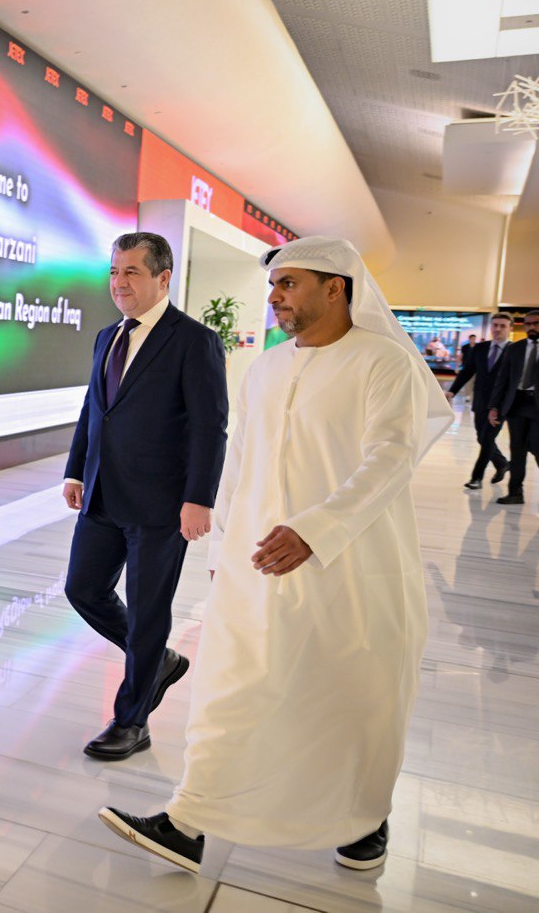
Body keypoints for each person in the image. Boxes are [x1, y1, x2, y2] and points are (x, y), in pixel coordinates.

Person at [97, 236, 452, 873]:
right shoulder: (266, 367)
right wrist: (225, 543)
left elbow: (391, 459)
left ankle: (363, 819)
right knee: (229, 687)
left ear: (336, 287)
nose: (274, 297)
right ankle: (189, 820)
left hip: (349, 566)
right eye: (273, 285)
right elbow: (240, 461)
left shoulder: (384, 363)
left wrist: (315, 530)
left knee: (350, 693)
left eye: (288, 284)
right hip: (254, 563)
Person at [61, 232, 227, 761]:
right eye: (114, 271)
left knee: (150, 611)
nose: (119, 282)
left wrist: (199, 498)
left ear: (162, 277)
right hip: (102, 494)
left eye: (131, 271)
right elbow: (94, 409)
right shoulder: (107, 336)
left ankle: (132, 721)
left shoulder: (194, 340)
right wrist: (75, 469)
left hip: (161, 505)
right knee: (83, 589)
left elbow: (209, 426)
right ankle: (158, 662)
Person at [445, 315, 511, 489]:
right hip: (480, 401)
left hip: (500, 404)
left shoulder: (513, 350)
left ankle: (477, 478)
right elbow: (467, 371)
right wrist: (452, 391)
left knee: (487, 438)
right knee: (482, 438)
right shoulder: (480, 348)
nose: (498, 329)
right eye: (495, 325)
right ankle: (502, 463)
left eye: (502, 326)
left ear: (510, 328)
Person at [488, 310, 539, 505]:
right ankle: (515, 493)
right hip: (517, 404)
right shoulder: (515, 349)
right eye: (528, 324)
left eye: (536, 323)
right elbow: (502, 380)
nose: (531, 327)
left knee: (536, 446)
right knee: (517, 450)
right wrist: (494, 406)